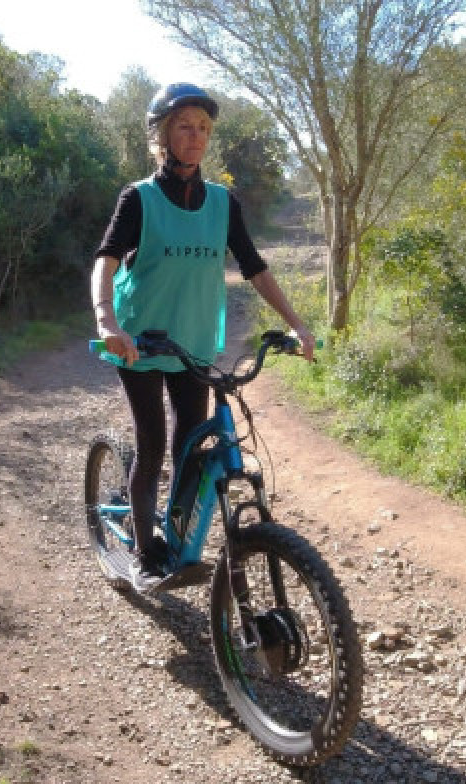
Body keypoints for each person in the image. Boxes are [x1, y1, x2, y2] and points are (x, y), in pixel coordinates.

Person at [91, 82, 315, 592]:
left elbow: (254, 268)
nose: (195, 138)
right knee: (151, 447)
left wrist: (298, 322)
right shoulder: (139, 198)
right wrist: (107, 321)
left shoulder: (222, 203)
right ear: (163, 135)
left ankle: (178, 539)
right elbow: (104, 259)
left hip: (192, 345)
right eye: (184, 127)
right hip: (140, 343)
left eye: (204, 129)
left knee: (190, 446)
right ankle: (147, 555)